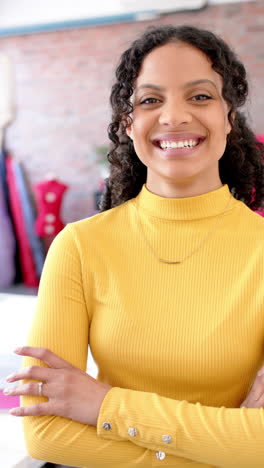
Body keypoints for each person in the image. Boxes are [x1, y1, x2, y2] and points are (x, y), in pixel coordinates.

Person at [4, 25, 264, 468]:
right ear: (129, 123)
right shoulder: (80, 246)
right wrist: (226, 446)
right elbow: (45, 434)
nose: (173, 116)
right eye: (150, 100)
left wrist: (103, 405)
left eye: (199, 96)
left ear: (229, 118)